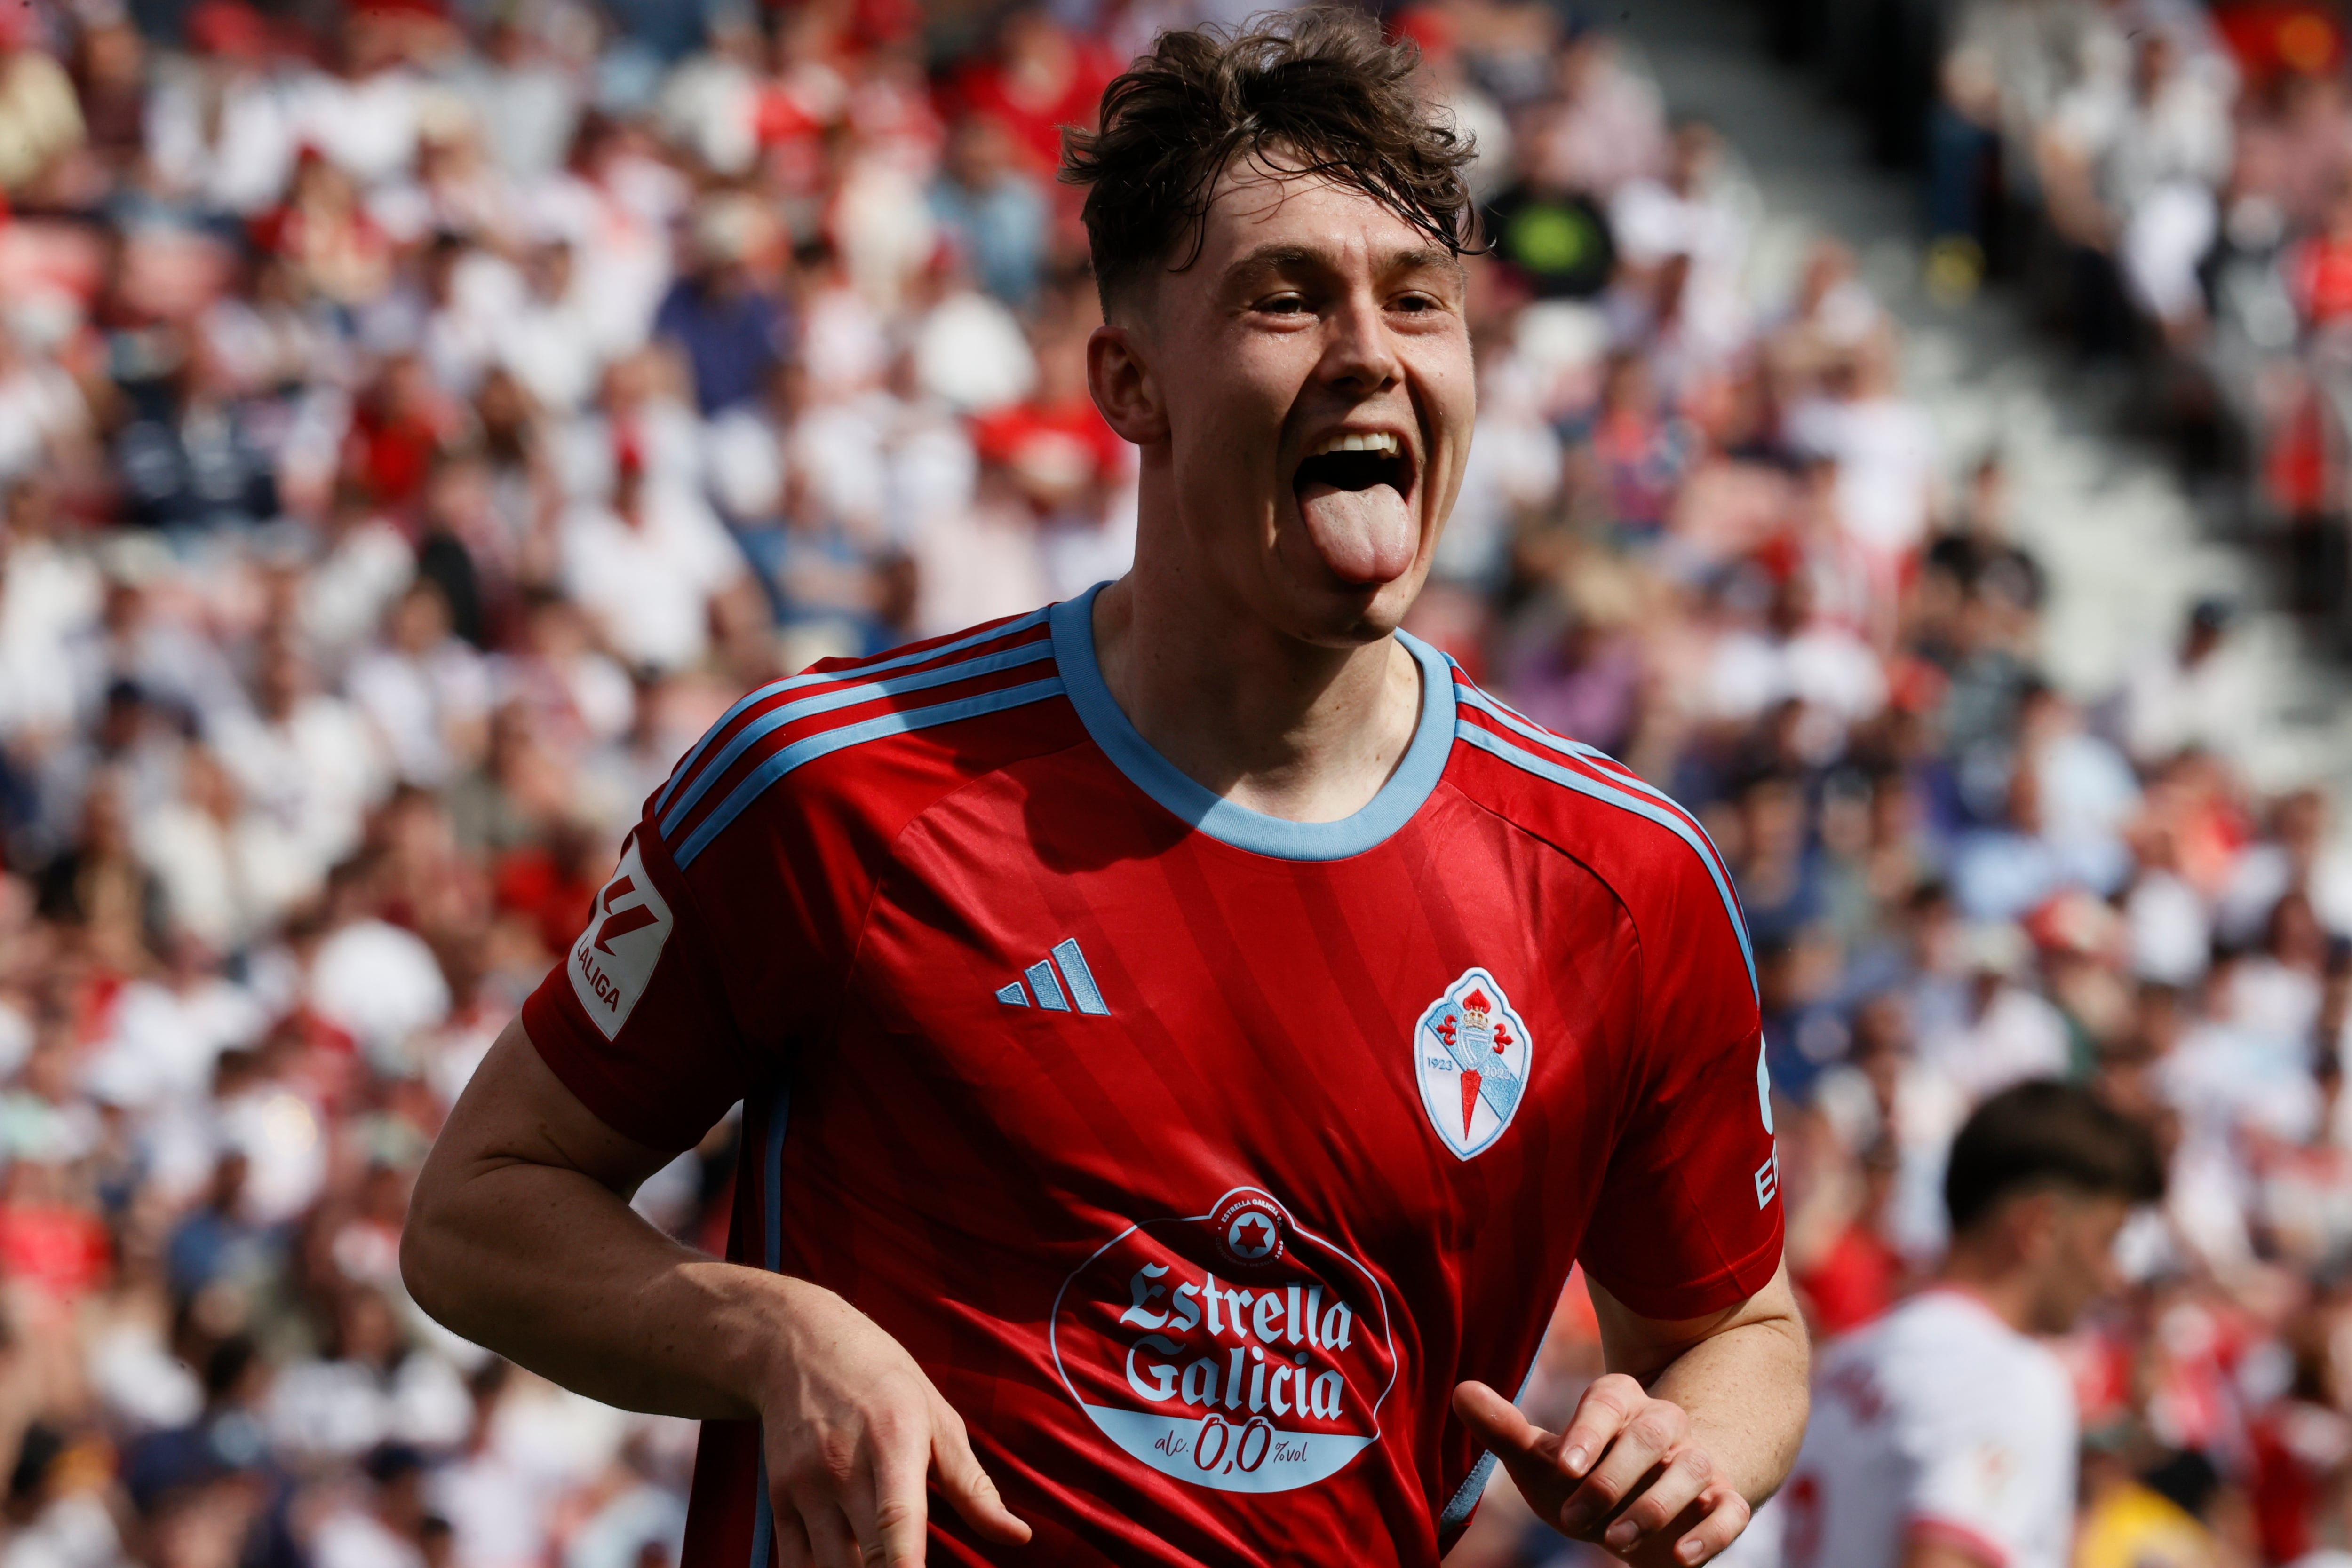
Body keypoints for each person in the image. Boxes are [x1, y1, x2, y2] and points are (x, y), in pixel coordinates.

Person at [399, 13, 1809, 1568]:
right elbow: (480, 1208)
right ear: (1130, 383)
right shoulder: (844, 786)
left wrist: (1696, 1438)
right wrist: (775, 1333)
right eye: (1290, 298)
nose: (1373, 351)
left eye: (1420, 303)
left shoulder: (1620, 877)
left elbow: (1736, 1324)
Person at [1770, 1080, 2163, 1568]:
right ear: (2041, 1225)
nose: (2114, 1276)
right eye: (2108, 1240)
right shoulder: (2008, 1378)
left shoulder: (1851, 1358)